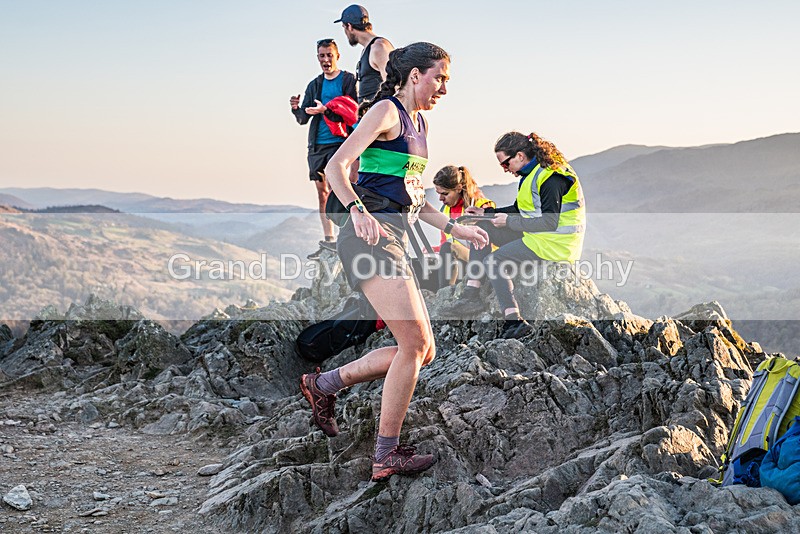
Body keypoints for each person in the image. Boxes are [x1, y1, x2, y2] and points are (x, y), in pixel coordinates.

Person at [299, 42, 489, 482]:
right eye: (440, 78)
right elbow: (337, 167)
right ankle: (386, 454)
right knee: (415, 345)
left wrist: (456, 229)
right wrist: (357, 211)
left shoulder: (420, 124)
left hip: (395, 238)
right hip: (368, 238)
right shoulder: (386, 111)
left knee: (423, 350)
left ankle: (322, 385)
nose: (444, 88)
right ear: (415, 75)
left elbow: (415, 199)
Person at [440, 132, 586, 339]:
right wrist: (485, 213)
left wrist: (508, 222)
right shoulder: (531, 175)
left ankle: (514, 321)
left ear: (519, 156)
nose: (504, 169)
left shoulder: (552, 177)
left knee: (494, 261)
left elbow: (549, 222)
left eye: (505, 164)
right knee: (482, 230)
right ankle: (471, 295)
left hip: (556, 244)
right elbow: (519, 209)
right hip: (538, 236)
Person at [290, 38, 357, 260]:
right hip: (318, 145)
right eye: (322, 56)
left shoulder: (348, 80)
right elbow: (303, 118)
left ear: (337, 56)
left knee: (344, 189)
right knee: (323, 194)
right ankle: (329, 240)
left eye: (329, 55)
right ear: (317, 58)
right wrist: (296, 109)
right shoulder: (315, 85)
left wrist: (326, 110)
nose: (326, 60)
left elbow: (353, 112)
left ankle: (346, 237)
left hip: (342, 143)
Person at [432, 165, 495, 287]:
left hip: (484, 259)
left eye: (445, 193)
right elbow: (446, 241)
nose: (440, 198)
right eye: (438, 193)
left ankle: (445, 292)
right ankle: (443, 293)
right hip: (461, 261)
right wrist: (435, 249)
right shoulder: (445, 210)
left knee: (447, 248)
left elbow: (491, 239)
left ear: (459, 188)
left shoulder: (481, 206)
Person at [334, 5, 394, 104]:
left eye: (344, 27)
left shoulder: (379, 47)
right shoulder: (368, 49)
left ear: (349, 26)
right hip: (367, 112)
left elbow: (393, 87)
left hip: (379, 112)